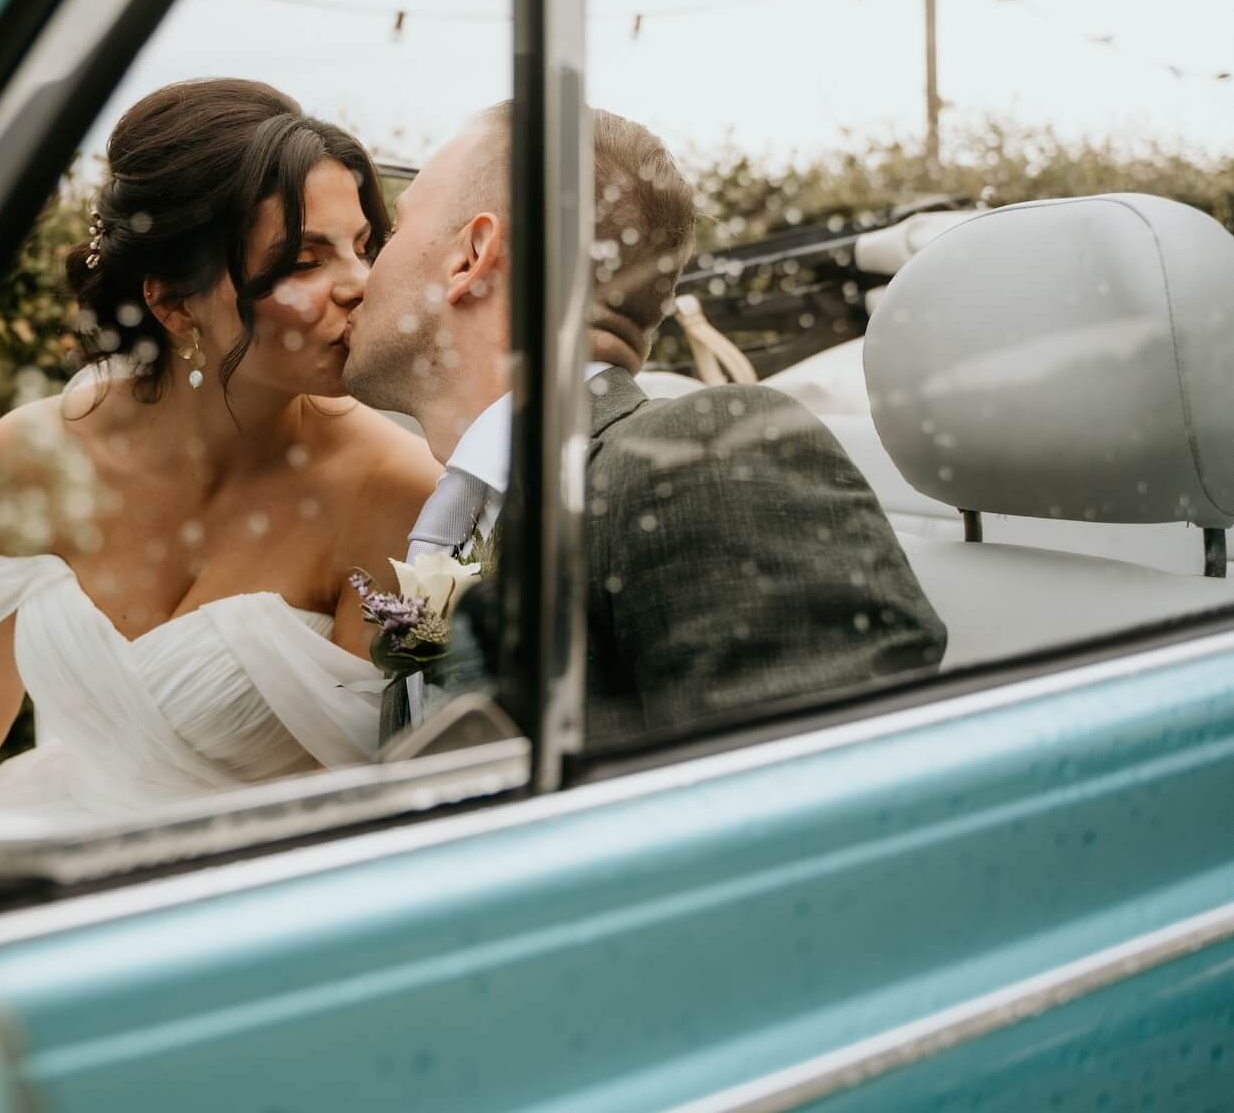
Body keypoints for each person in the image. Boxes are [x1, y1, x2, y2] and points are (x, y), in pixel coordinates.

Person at [0, 79, 439, 825]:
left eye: (364, 248)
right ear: (173, 304)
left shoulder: (402, 497)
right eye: (305, 261)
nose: (361, 286)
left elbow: (359, 800)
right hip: (28, 833)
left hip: (256, 876)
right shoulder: (28, 457)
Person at [343, 102, 947, 743]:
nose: (360, 279)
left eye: (390, 234)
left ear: (470, 256)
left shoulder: (705, 455)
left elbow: (822, 786)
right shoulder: (467, 517)